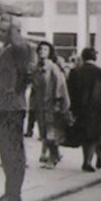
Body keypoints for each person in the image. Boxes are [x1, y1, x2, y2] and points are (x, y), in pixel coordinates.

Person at [0, 14, 35, 201]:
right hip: (1, 107)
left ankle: (13, 194)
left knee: (12, 151)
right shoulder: (4, 50)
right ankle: (10, 192)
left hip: (11, 108)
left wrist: (15, 31)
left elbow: (22, 51)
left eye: (5, 31)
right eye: (0, 30)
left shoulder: (21, 49)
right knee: (5, 152)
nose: (0, 34)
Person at [65, 47, 101, 171]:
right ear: (94, 57)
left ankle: (86, 159)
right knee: (93, 135)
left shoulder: (75, 71)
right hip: (96, 108)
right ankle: (89, 160)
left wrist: (71, 108)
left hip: (79, 108)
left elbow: (70, 91)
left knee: (84, 135)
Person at [29, 41, 70, 169]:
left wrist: (58, 102)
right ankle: (55, 155)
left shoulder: (53, 68)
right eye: (40, 50)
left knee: (51, 133)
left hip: (52, 104)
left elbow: (60, 85)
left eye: (45, 50)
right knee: (44, 133)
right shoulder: (36, 69)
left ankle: (53, 157)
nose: (42, 52)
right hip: (40, 105)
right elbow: (34, 88)